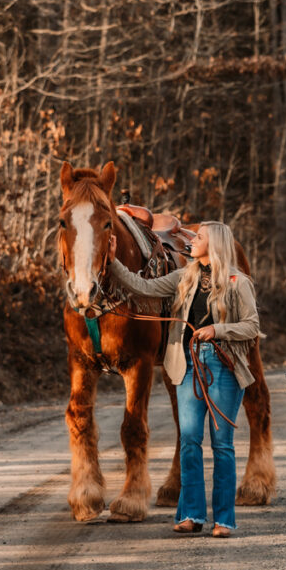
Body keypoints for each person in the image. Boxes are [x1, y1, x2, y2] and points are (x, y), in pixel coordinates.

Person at [107, 220, 261, 538]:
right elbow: (143, 287)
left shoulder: (238, 281)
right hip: (188, 367)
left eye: (199, 237)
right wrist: (112, 263)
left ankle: (223, 520)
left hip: (224, 367)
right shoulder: (185, 277)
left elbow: (251, 326)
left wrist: (218, 330)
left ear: (215, 245)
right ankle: (191, 514)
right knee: (190, 442)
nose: (192, 240)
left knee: (222, 446)